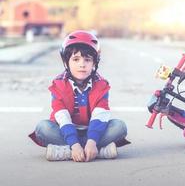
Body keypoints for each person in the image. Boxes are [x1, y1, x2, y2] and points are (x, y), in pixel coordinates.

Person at [29, 30, 130, 162]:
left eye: (87, 60)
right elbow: (62, 116)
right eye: (76, 59)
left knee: (119, 126)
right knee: (43, 128)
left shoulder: (101, 84)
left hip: (93, 131)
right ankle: (95, 151)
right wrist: (75, 144)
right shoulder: (58, 84)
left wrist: (92, 141)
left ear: (94, 63)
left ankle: (67, 152)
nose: (82, 64)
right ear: (66, 62)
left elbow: (100, 115)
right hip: (65, 131)